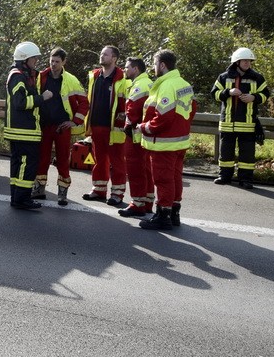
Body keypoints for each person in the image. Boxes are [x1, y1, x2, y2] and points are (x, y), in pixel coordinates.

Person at [135, 49, 195, 230]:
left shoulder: (167, 85)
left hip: (164, 142)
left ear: (162, 65)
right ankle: (174, 212)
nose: (153, 68)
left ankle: (163, 216)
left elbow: (163, 117)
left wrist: (145, 127)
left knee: (163, 180)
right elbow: (191, 111)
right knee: (175, 178)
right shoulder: (183, 83)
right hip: (179, 141)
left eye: (154, 64)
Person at [32, 47, 88, 206]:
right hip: (44, 125)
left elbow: (84, 103)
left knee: (63, 160)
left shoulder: (71, 80)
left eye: (57, 61)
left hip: (62, 127)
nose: (54, 64)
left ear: (64, 62)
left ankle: (62, 193)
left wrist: (75, 121)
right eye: (52, 61)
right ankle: (39, 189)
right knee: (42, 159)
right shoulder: (41, 77)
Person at [209, 48, 270, 190]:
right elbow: (214, 94)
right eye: (244, 60)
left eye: (249, 61)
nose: (247, 63)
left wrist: (254, 97)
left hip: (247, 124)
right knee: (226, 152)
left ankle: (246, 179)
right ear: (237, 62)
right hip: (227, 123)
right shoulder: (224, 77)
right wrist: (227, 92)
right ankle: (225, 176)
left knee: (247, 154)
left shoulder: (257, 77)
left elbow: (266, 94)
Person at [5, 41, 53, 210]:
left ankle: (17, 198)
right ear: (24, 59)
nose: (36, 62)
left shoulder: (23, 75)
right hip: (23, 130)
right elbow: (20, 103)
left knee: (19, 165)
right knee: (27, 164)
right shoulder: (18, 76)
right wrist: (42, 98)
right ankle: (22, 199)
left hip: (22, 130)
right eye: (34, 58)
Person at [83, 45, 129, 206]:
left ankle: (117, 193)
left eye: (105, 54)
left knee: (117, 161)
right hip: (96, 125)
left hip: (114, 128)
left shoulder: (123, 79)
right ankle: (99, 189)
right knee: (99, 160)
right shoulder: (95, 76)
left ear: (114, 58)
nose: (102, 56)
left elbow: (127, 104)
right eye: (101, 53)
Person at [118, 57, 156, 218]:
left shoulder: (139, 86)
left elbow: (133, 111)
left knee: (135, 169)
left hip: (135, 134)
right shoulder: (149, 83)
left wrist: (128, 126)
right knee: (146, 168)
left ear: (136, 69)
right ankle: (147, 202)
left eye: (127, 67)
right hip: (146, 133)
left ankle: (137, 204)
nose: (125, 70)